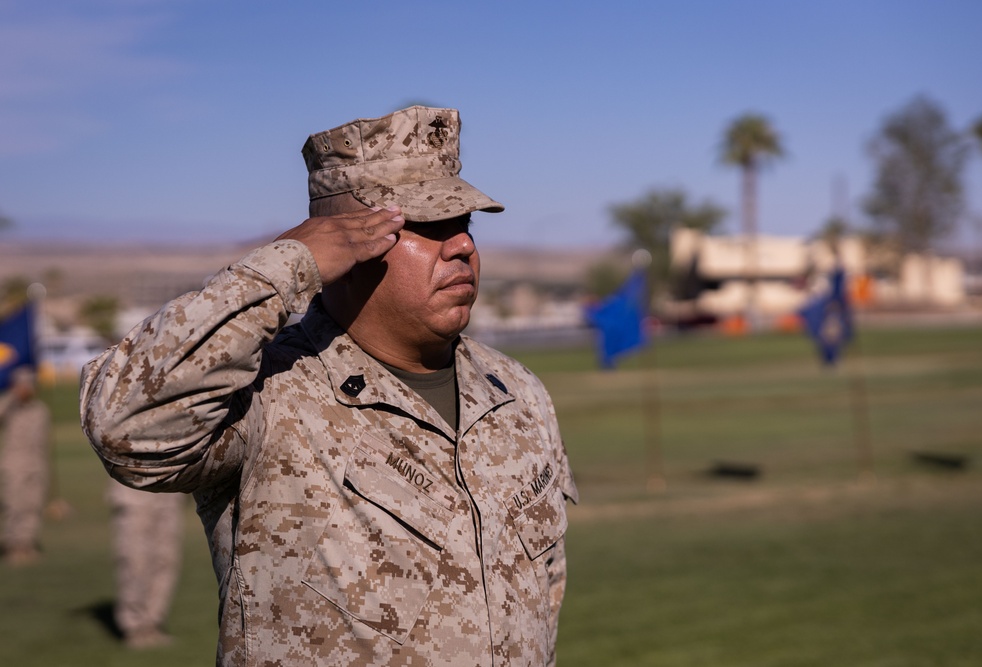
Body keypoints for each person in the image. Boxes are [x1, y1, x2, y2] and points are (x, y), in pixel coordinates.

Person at [80, 105, 578, 666]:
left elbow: (543, 596)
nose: (462, 245)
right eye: (428, 226)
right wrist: (281, 268)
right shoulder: (269, 392)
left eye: (464, 223)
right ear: (343, 241)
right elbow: (124, 429)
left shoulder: (516, 392)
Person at [107, 478, 184, 648]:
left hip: (169, 486)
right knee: (135, 561)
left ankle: (152, 622)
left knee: (166, 559)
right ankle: (134, 627)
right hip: (133, 485)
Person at [0, 367, 51, 566]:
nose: (27, 388)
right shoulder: (9, 407)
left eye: (30, 384)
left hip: (36, 464)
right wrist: (13, 397)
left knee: (33, 505)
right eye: (23, 384)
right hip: (14, 464)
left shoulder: (40, 410)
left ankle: (26, 544)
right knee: (15, 505)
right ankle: (12, 544)